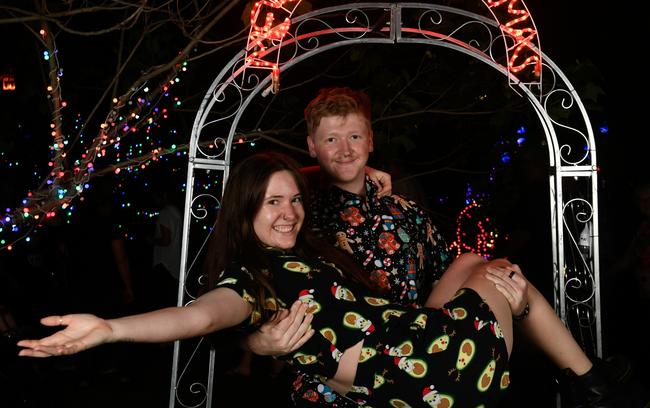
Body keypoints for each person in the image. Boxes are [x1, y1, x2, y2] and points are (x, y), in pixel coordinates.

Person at [17, 152, 638, 407]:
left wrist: (375, 181)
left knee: (470, 265)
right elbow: (198, 317)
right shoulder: (249, 281)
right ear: (245, 214)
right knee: (503, 273)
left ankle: (590, 384)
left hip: (418, 347)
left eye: (292, 199)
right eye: (270, 204)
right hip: (444, 365)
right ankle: (590, 383)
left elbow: (341, 177)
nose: (287, 212)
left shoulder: (308, 256)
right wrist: (110, 329)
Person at [243, 87, 452, 405]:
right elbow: (247, 291)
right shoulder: (296, 220)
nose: (345, 150)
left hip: (412, 382)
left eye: (354, 137)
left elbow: (446, 286)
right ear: (312, 147)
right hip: (327, 391)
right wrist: (255, 342)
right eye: (331, 140)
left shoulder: (409, 214)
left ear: (370, 140)